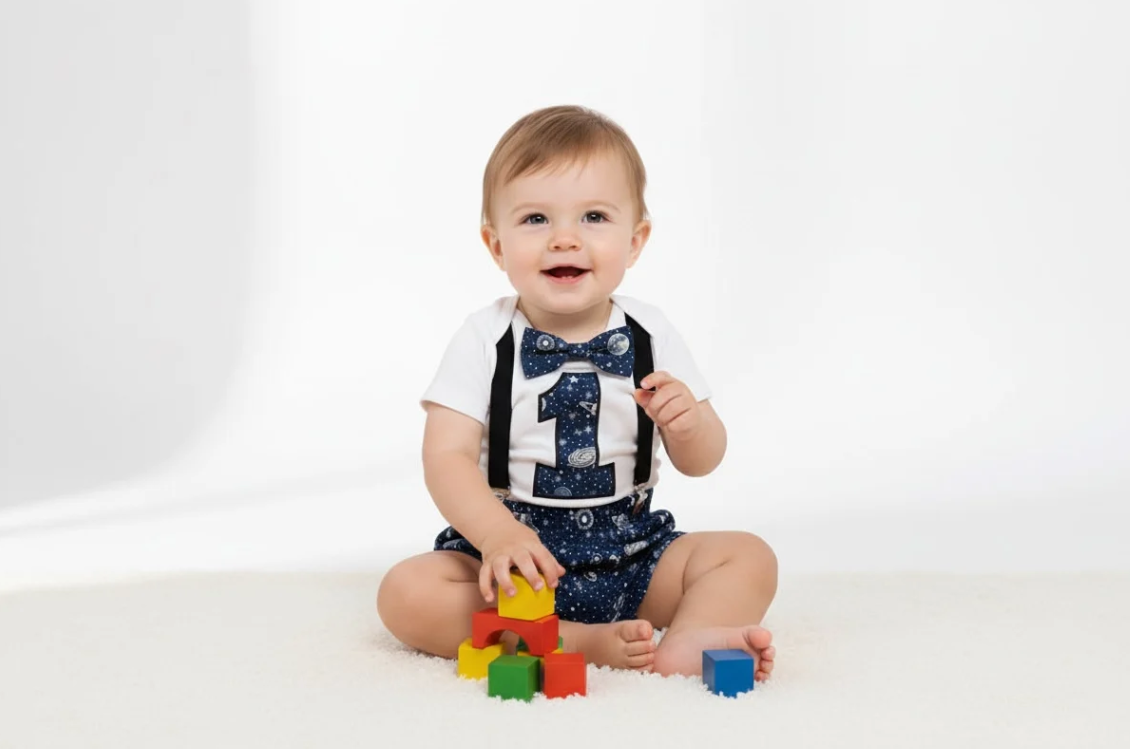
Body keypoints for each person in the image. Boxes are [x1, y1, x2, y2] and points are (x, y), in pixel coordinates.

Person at [377, 105, 777, 679]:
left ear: (635, 242)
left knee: (747, 555)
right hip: (514, 564)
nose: (564, 239)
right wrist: (496, 534)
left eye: (593, 216)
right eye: (536, 219)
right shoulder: (483, 338)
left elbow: (703, 462)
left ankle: (689, 641)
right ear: (496, 245)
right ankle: (576, 641)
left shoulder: (651, 332)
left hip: (630, 551)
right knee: (407, 592)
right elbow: (446, 456)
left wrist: (689, 423)